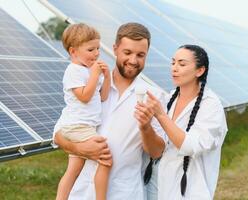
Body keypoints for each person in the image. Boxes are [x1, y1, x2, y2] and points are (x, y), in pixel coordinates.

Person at [54, 22, 167, 200]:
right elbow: (58, 135)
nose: (133, 60)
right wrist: (80, 148)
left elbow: (157, 152)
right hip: (82, 192)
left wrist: (146, 128)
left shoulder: (154, 96)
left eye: (141, 55)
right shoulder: (89, 83)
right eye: (127, 52)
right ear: (115, 49)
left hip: (125, 193)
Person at [136, 45, 228, 199]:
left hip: (189, 190)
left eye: (182, 64)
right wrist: (145, 127)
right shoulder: (169, 98)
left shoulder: (211, 106)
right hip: (156, 186)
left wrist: (161, 115)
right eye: (173, 63)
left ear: (200, 71)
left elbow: (191, 146)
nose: (174, 68)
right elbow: (157, 151)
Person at [53, 23, 112, 200]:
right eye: (90, 49)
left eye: (98, 49)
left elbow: (103, 96)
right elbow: (84, 97)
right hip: (77, 126)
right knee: (106, 158)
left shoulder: (90, 71)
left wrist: (106, 76)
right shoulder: (74, 71)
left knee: (73, 171)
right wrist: (95, 74)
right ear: (73, 52)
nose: (96, 53)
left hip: (84, 126)